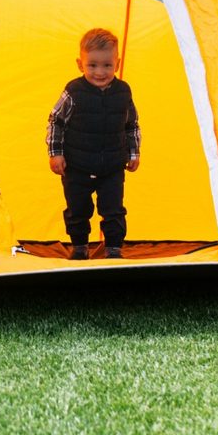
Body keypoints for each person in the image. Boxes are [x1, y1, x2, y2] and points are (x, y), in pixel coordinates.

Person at [46, 27, 141, 260]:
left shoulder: (123, 91)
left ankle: (114, 249)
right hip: (77, 166)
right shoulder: (73, 91)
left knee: (113, 209)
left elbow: (132, 124)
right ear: (81, 64)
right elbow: (56, 121)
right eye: (92, 65)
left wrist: (133, 152)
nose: (100, 72)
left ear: (117, 63)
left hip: (112, 165)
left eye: (107, 65)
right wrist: (55, 153)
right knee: (78, 209)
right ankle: (79, 247)